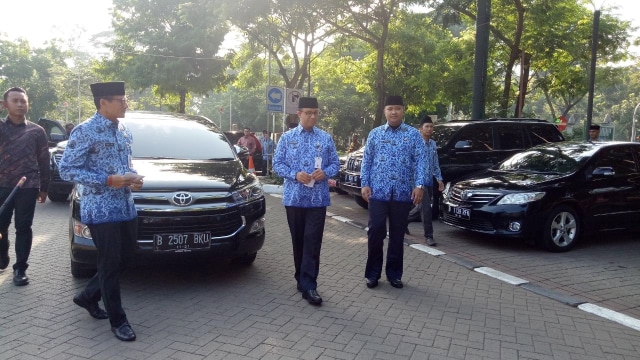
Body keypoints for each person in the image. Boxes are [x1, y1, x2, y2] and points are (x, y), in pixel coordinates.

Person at [58, 81, 143, 342]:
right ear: (103, 103)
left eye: (125, 99)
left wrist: (133, 179)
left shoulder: (124, 131)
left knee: (126, 256)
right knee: (109, 262)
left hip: (125, 205)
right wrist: (108, 180)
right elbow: (67, 170)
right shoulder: (85, 131)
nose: (126, 103)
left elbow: (124, 164)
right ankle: (119, 321)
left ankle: (87, 296)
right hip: (101, 208)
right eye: (121, 99)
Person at [272, 97, 340, 306]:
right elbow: (277, 164)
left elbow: (336, 164)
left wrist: (325, 172)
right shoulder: (287, 137)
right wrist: (294, 174)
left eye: (315, 113)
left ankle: (310, 284)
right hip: (294, 198)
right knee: (298, 240)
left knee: (312, 241)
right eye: (308, 112)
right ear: (299, 113)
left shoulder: (325, 138)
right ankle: (300, 277)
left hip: (317, 200)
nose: (312, 116)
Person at [360, 95, 426, 289]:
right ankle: (372, 274)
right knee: (375, 232)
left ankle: (394, 274)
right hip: (378, 193)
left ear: (403, 110)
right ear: (385, 111)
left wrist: (419, 185)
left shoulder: (414, 135)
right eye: (390, 108)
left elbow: (421, 161)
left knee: (397, 235)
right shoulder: (375, 134)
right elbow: (367, 161)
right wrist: (365, 183)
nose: (394, 112)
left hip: (402, 193)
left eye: (397, 108)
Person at [0, 87, 50, 286]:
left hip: (27, 187)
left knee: (24, 227)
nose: (20, 104)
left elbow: (44, 161)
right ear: (5, 104)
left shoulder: (37, 131)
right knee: (1, 225)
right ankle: (2, 251)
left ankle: (20, 268)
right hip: (2, 185)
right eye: (15, 101)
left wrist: (44, 187)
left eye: (23, 101)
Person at [416, 115, 444, 246]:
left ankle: (404, 222)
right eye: (426, 127)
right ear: (420, 129)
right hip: (417, 182)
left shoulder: (433, 144)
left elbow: (435, 163)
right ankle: (429, 236)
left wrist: (439, 179)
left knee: (420, 207)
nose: (429, 129)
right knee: (426, 208)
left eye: (431, 127)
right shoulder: (415, 143)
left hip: (428, 181)